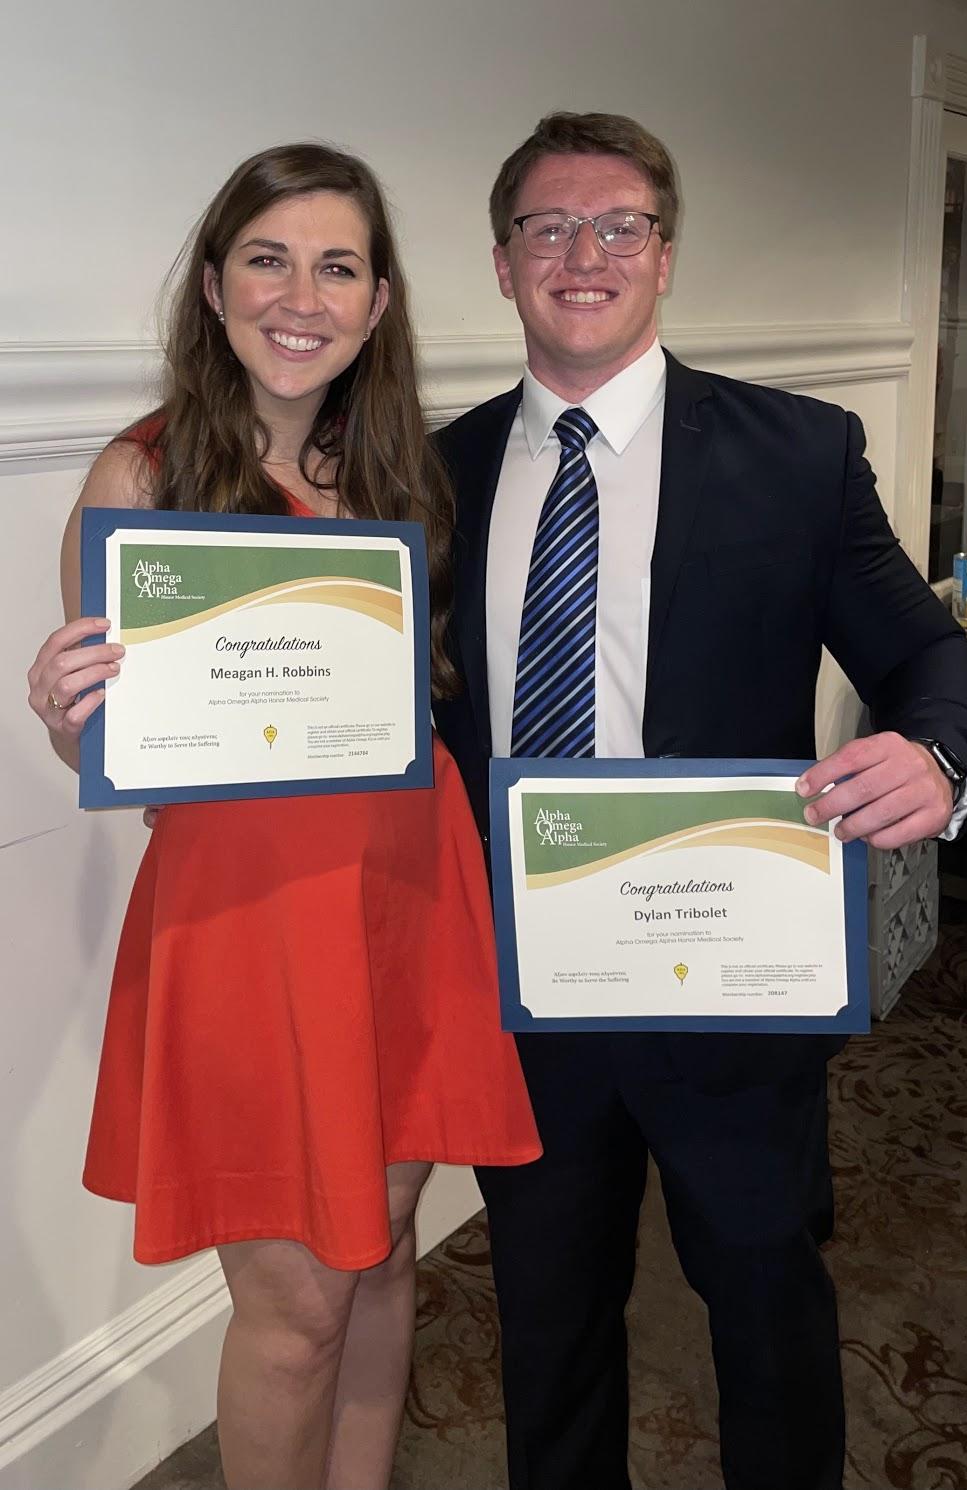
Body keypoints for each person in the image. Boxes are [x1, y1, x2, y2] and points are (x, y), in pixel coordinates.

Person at [432, 112, 967, 1490]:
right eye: (546, 227)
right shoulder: (427, 476)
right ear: (501, 264)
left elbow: (923, 649)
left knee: (765, 1309)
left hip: (730, 970)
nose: (583, 254)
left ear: (662, 258)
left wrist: (936, 752)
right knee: (546, 1322)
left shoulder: (796, 453)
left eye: (617, 224)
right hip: (529, 986)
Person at [26, 142, 540, 1490]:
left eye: (337, 264)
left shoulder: (402, 476)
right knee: (296, 1306)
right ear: (213, 284)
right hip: (245, 925)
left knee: (379, 1254)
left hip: (409, 896)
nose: (299, 293)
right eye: (267, 257)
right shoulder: (141, 478)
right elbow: (117, 738)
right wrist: (62, 704)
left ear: (377, 302)